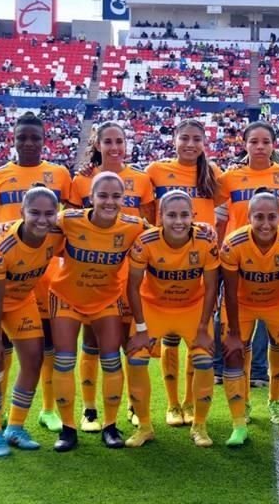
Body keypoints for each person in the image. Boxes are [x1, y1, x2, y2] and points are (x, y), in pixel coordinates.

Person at [0, 112, 73, 435]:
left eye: (35, 137)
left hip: (43, 275)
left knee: (43, 348)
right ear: (14, 139)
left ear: (45, 140)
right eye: (23, 137)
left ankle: (48, 410)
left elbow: (71, 221)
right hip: (2, 270)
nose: (29, 143)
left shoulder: (60, 174)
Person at [0, 187, 64, 457]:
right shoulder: (0, 248)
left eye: (49, 213)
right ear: (22, 213)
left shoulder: (56, 233)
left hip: (20, 299)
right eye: (35, 213)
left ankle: (15, 428)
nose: (43, 219)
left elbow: (84, 223)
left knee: (33, 361)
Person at [48, 172, 148, 452]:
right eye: (102, 195)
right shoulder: (69, 219)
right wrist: (4, 226)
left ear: (123, 199)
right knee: (65, 361)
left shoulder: (133, 225)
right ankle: (68, 429)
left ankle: (110, 425)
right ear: (91, 197)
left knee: (111, 361)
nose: (109, 201)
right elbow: (37, 222)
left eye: (116, 196)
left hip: (106, 300)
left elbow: (162, 233)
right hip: (66, 298)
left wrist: (202, 228)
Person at [215, 122, 279, 425]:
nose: (260, 147)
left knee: (278, 339)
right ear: (245, 144)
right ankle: (242, 408)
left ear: (273, 144)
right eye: (254, 141)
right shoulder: (229, 177)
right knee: (238, 338)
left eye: (265, 141)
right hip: (239, 261)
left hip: (278, 263)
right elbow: (211, 207)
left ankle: (273, 398)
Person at [69, 121, 155, 432]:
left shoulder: (141, 180)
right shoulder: (80, 182)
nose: (115, 147)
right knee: (91, 343)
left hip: (131, 277)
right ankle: (89, 408)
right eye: (109, 141)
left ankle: (133, 405)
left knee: (129, 344)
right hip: (94, 277)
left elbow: (152, 228)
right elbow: (68, 226)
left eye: (120, 141)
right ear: (97, 144)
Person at [145, 119, 226, 427]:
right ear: (174, 140)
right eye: (185, 138)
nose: (190, 144)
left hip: (202, 261)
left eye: (196, 139)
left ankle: (191, 403)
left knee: (197, 335)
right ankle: (172, 404)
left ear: (204, 143)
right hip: (164, 263)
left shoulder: (213, 173)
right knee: (169, 336)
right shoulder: (155, 171)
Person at [123, 191, 221, 448]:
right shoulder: (146, 242)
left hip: (192, 307)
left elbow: (211, 287)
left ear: (193, 217)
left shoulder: (205, 241)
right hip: (154, 307)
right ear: (160, 217)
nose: (178, 221)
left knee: (204, 360)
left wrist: (202, 327)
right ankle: (144, 426)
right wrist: (141, 329)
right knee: (135, 358)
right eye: (172, 215)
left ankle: (199, 425)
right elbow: (133, 286)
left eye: (184, 215)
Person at [219, 190, 279, 447]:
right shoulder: (233, 244)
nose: (266, 223)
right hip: (243, 305)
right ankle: (238, 421)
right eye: (259, 217)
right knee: (233, 352)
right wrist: (234, 333)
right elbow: (231, 292)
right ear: (248, 217)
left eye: (272, 217)